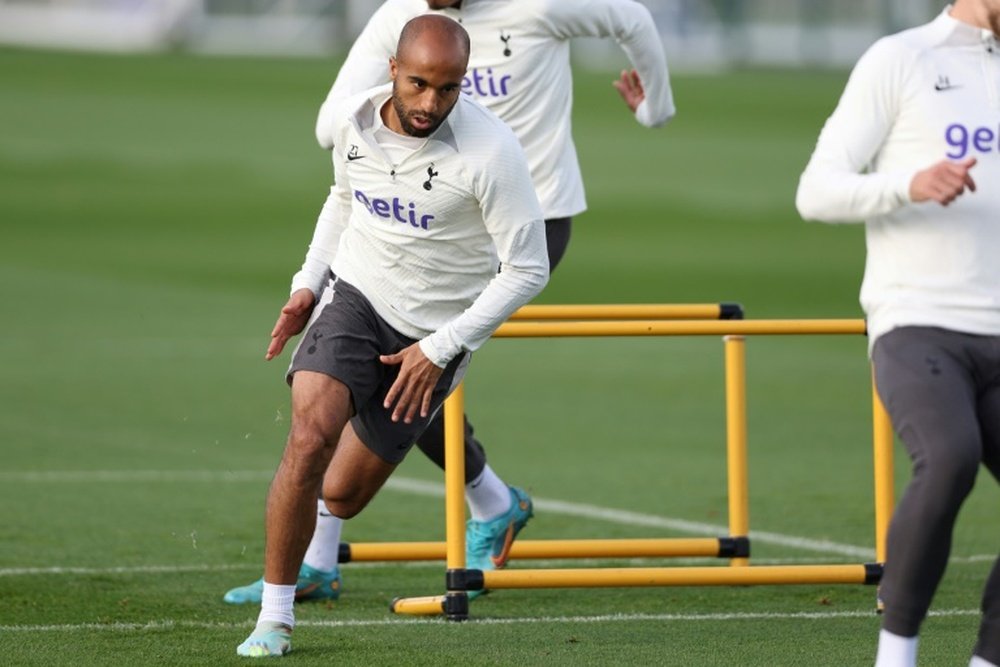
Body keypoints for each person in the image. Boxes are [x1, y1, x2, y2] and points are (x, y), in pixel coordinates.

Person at [224, 0, 675, 605]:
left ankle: (450, 511)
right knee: (380, 369)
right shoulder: (405, 16)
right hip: (424, 211)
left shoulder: (541, 7)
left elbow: (634, 21)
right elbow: (332, 124)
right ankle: (331, 552)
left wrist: (655, 109)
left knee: (423, 360)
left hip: (527, 219)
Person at [235, 15, 548, 657]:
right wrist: (307, 283)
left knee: (341, 496)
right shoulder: (353, 122)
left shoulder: (491, 152)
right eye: (418, 84)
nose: (431, 102)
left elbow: (528, 268)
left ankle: (486, 500)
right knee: (308, 437)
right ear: (392, 72)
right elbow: (343, 199)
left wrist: (440, 349)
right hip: (355, 297)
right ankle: (276, 617)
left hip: (434, 335)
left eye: (449, 87)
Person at [795, 2, 999, 665]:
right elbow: (816, 191)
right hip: (919, 321)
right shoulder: (902, 58)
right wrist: (907, 184)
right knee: (949, 455)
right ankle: (896, 655)